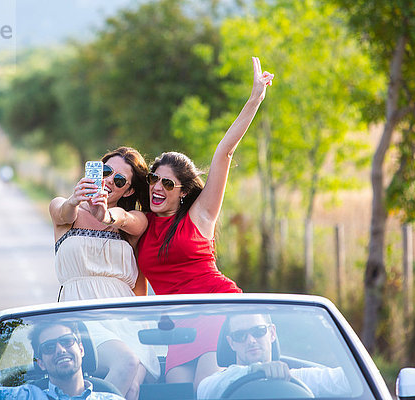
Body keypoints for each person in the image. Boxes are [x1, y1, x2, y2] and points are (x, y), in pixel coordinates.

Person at [136, 57, 274, 389]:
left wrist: (254, 97)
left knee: (208, 389)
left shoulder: (200, 215)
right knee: (179, 392)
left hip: (221, 312)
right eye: (154, 179)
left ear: (183, 193)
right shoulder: (140, 225)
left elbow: (224, 153)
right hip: (180, 330)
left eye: (168, 184)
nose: (157, 186)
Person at [49, 147, 160, 400]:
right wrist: (75, 201)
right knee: (126, 362)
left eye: (119, 180)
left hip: (126, 319)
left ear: (129, 190)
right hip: (81, 314)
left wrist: (106, 215)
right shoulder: (65, 211)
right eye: (106, 171)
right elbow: (62, 211)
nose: (109, 180)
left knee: (132, 388)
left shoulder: (134, 220)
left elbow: (125, 219)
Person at [196, 314, 351, 399]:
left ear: (272, 333)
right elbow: (204, 389)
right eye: (240, 335)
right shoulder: (219, 382)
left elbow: (351, 380)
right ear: (231, 343)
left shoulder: (294, 377)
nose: (250, 340)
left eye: (258, 331)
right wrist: (256, 370)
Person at [0, 321, 125, 400]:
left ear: (81, 349)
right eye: (49, 347)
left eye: (66, 341)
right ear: (40, 362)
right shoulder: (24, 397)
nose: (60, 350)